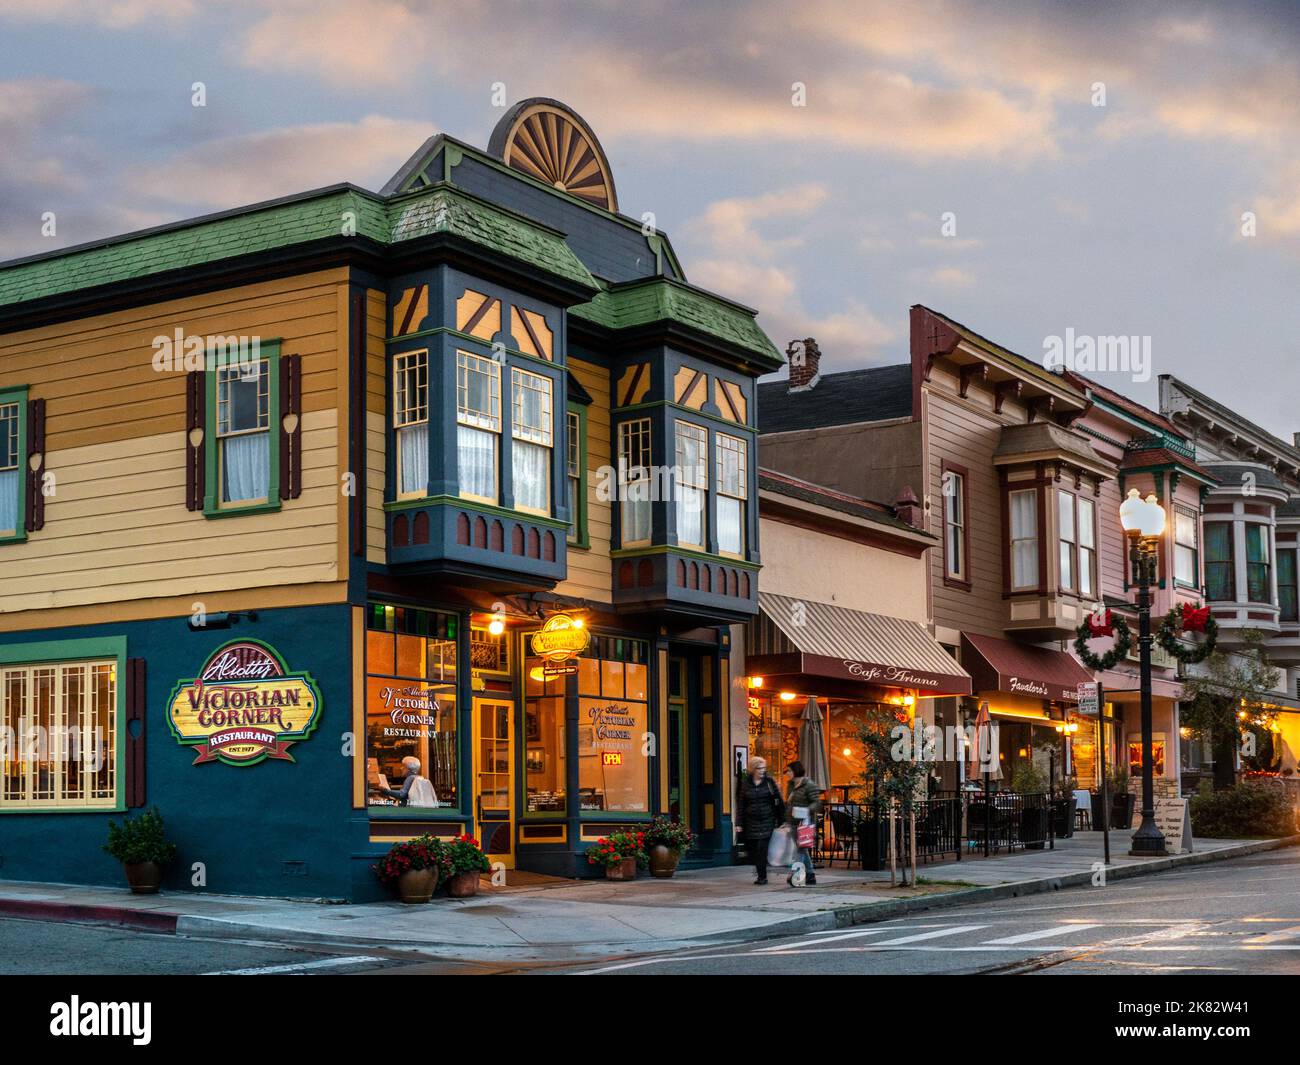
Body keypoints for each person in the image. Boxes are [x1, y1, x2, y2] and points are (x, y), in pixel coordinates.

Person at [735, 757, 784, 885]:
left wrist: (781, 819)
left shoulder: (769, 782)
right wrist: (738, 823)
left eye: (763, 768)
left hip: (767, 820)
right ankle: (760, 872)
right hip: (750, 821)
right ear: (753, 769)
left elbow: (778, 800)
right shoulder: (746, 784)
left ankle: (762, 877)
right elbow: (741, 804)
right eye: (759, 768)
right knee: (754, 850)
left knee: (762, 848)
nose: (762, 771)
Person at [784, 760, 822, 886]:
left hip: (804, 822)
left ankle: (796, 876)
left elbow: (816, 803)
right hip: (793, 821)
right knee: (803, 849)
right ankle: (811, 876)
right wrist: (786, 820)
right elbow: (789, 803)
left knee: (800, 849)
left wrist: (806, 810)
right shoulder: (791, 785)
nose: (787, 773)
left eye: (789, 771)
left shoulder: (809, 785)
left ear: (795, 771)